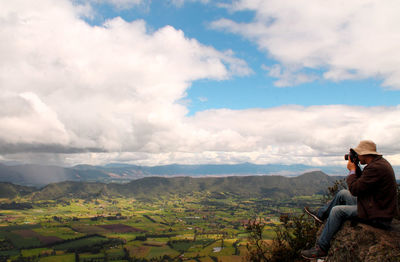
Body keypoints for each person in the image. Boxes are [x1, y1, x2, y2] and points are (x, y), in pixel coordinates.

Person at [301, 140, 398, 259]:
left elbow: (355, 189)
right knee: (342, 193)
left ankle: (321, 248)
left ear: (365, 154)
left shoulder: (376, 168)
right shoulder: (378, 164)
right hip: (374, 206)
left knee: (337, 211)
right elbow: (363, 183)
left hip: (378, 214)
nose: (357, 156)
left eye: (358, 154)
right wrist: (356, 167)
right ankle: (321, 215)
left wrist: (352, 170)